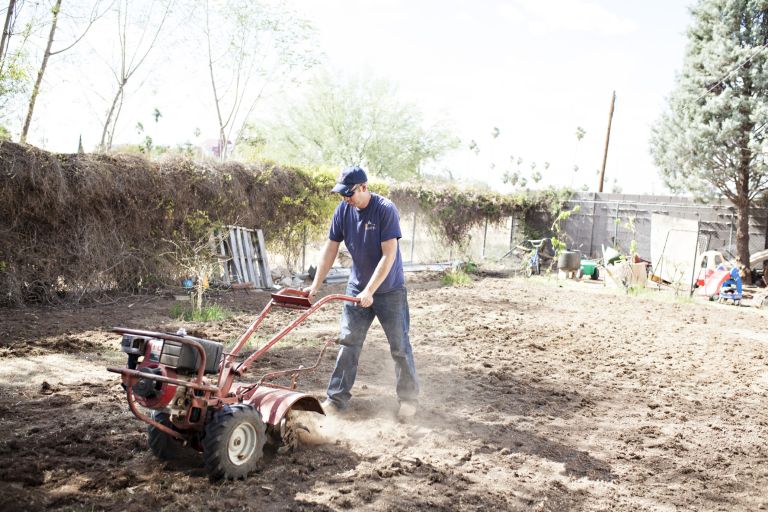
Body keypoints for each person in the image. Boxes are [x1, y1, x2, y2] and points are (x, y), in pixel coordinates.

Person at [305, 165, 419, 418]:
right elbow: (330, 249)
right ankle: (336, 400)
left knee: (399, 346)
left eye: (349, 193)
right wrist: (315, 286)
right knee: (348, 343)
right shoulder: (343, 211)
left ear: (364, 187)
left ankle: (408, 399)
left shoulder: (385, 210)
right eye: (342, 194)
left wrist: (370, 291)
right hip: (356, 289)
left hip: (389, 291)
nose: (346, 198)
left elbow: (389, 255)